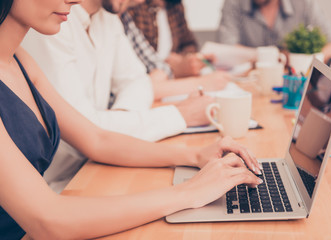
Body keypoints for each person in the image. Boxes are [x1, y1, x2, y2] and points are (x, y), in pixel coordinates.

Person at [0, 0, 264, 238]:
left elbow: (97, 139)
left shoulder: (19, 59)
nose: (76, 0)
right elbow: (48, 220)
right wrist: (189, 193)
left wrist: (195, 157)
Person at [21, 0, 220, 191]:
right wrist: (179, 116)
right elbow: (89, 133)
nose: (141, 1)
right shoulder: (50, 20)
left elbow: (137, 81)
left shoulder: (107, 18)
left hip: (97, 166)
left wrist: (121, 124)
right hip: (61, 183)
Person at [120, 0, 230, 100]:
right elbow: (135, 78)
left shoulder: (175, 5)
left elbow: (189, 44)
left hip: (166, 84)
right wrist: (174, 69)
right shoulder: (129, 7)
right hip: (152, 87)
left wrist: (185, 60)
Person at [217, 0, 331, 62]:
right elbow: (226, 49)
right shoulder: (234, 3)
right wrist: (276, 56)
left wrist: (305, 61)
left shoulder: (303, 3)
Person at [127, 0, 214, 78]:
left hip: (169, 78)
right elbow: (134, 60)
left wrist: (183, 60)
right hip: (153, 79)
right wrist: (172, 67)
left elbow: (189, 44)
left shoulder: (175, 6)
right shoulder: (134, 5)